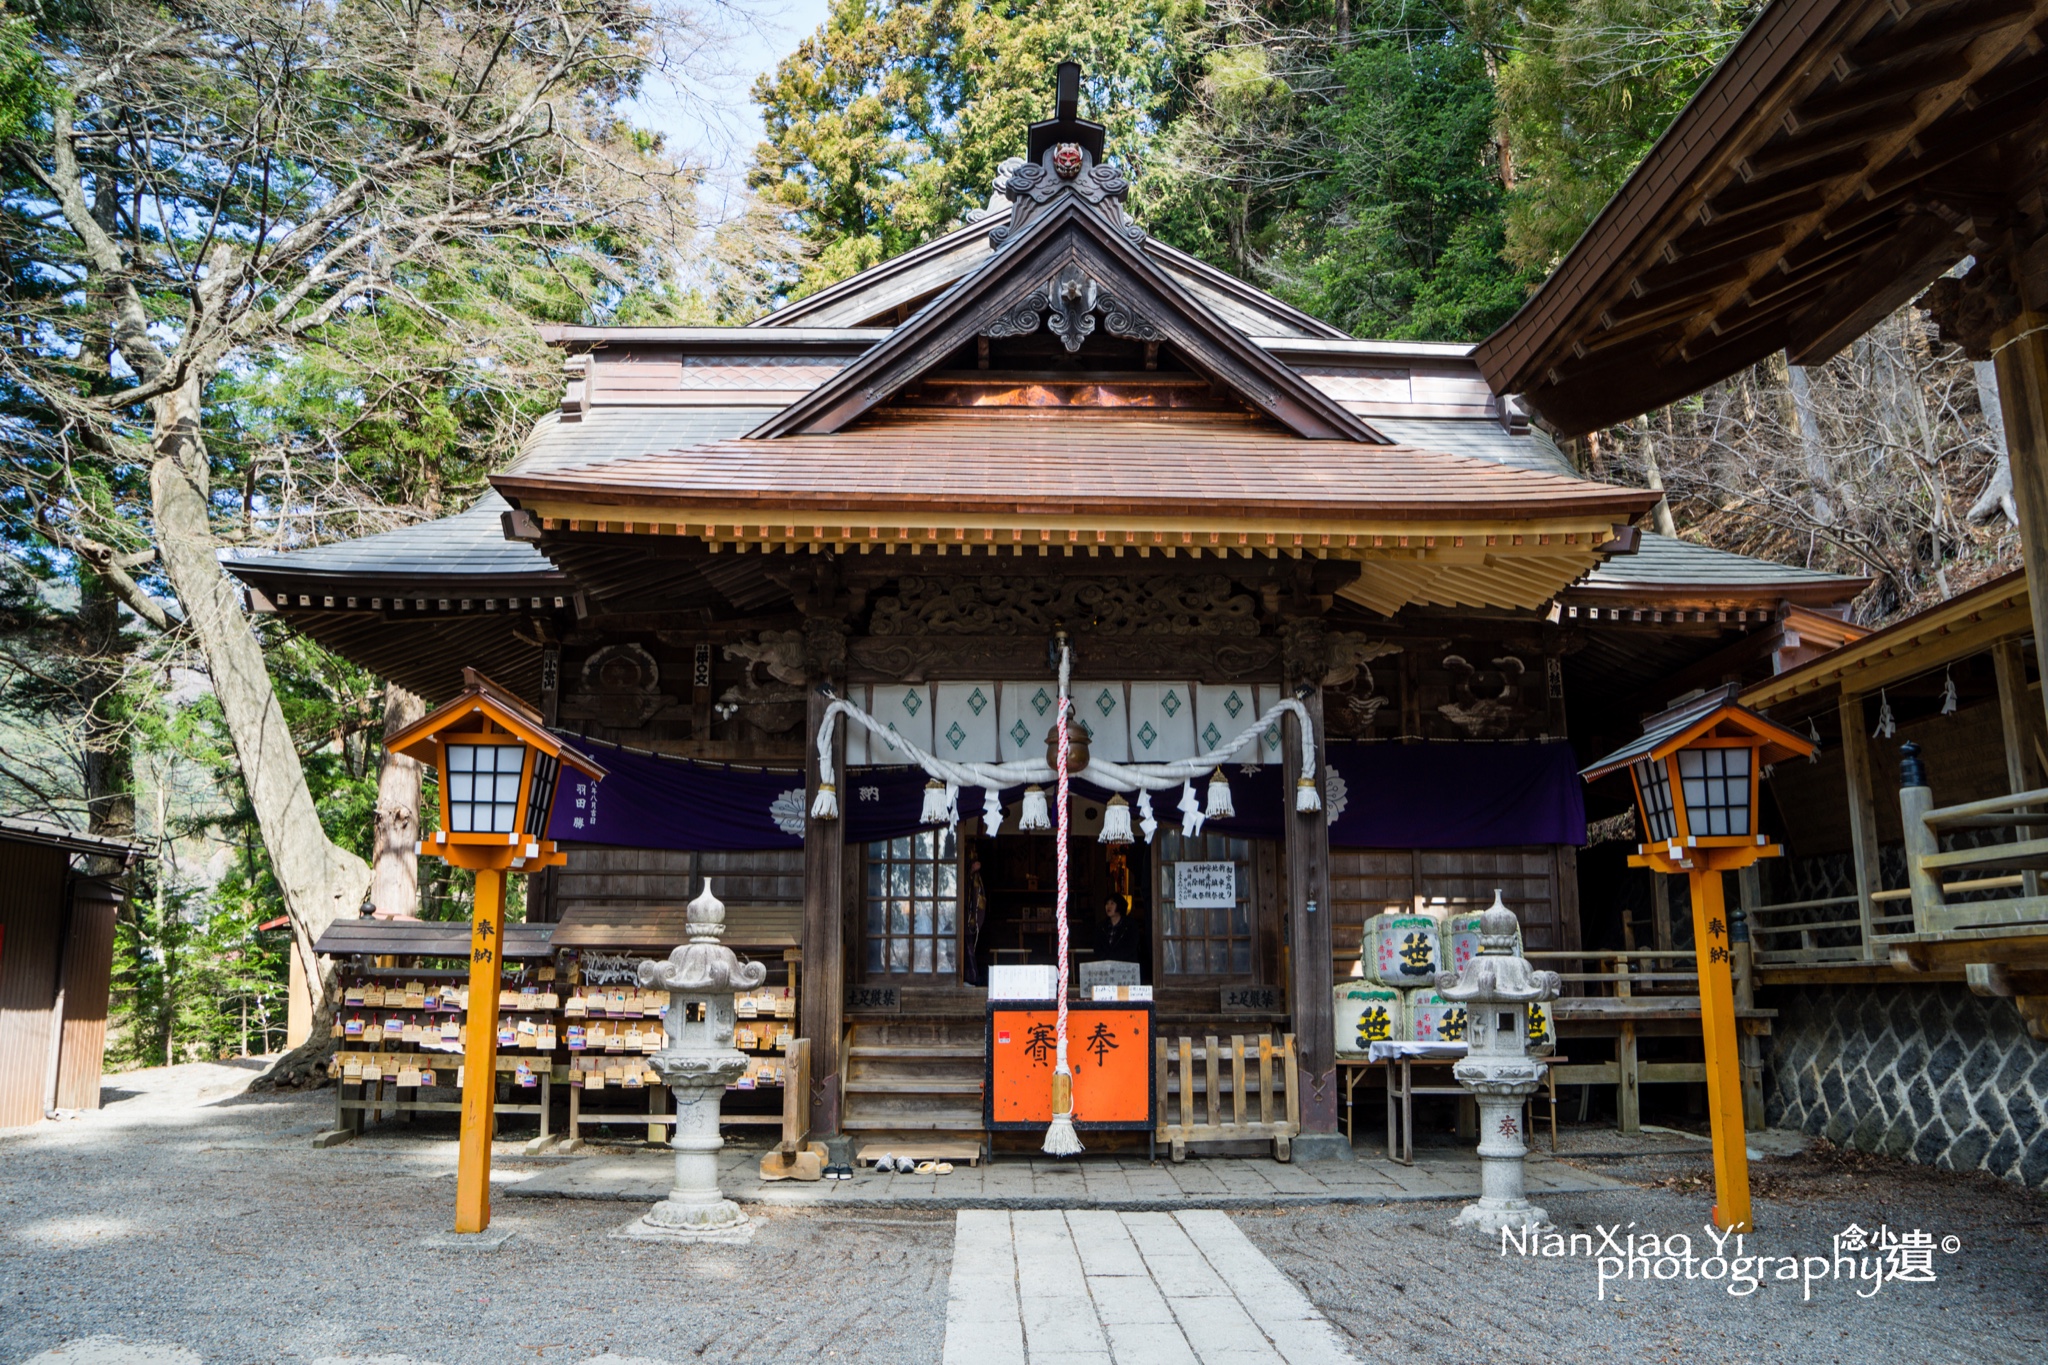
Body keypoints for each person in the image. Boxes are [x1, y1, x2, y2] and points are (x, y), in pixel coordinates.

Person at [1101, 895, 1145, 979]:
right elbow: (1098, 947)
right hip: (1106, 969)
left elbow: (1131, 946)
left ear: (1119, 905)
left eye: (1112, 903)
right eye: (1107, 904)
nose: (1108, 906)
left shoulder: (1130, 925)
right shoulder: (1101, 926)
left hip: (1126, 969)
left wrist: (1115, 959)